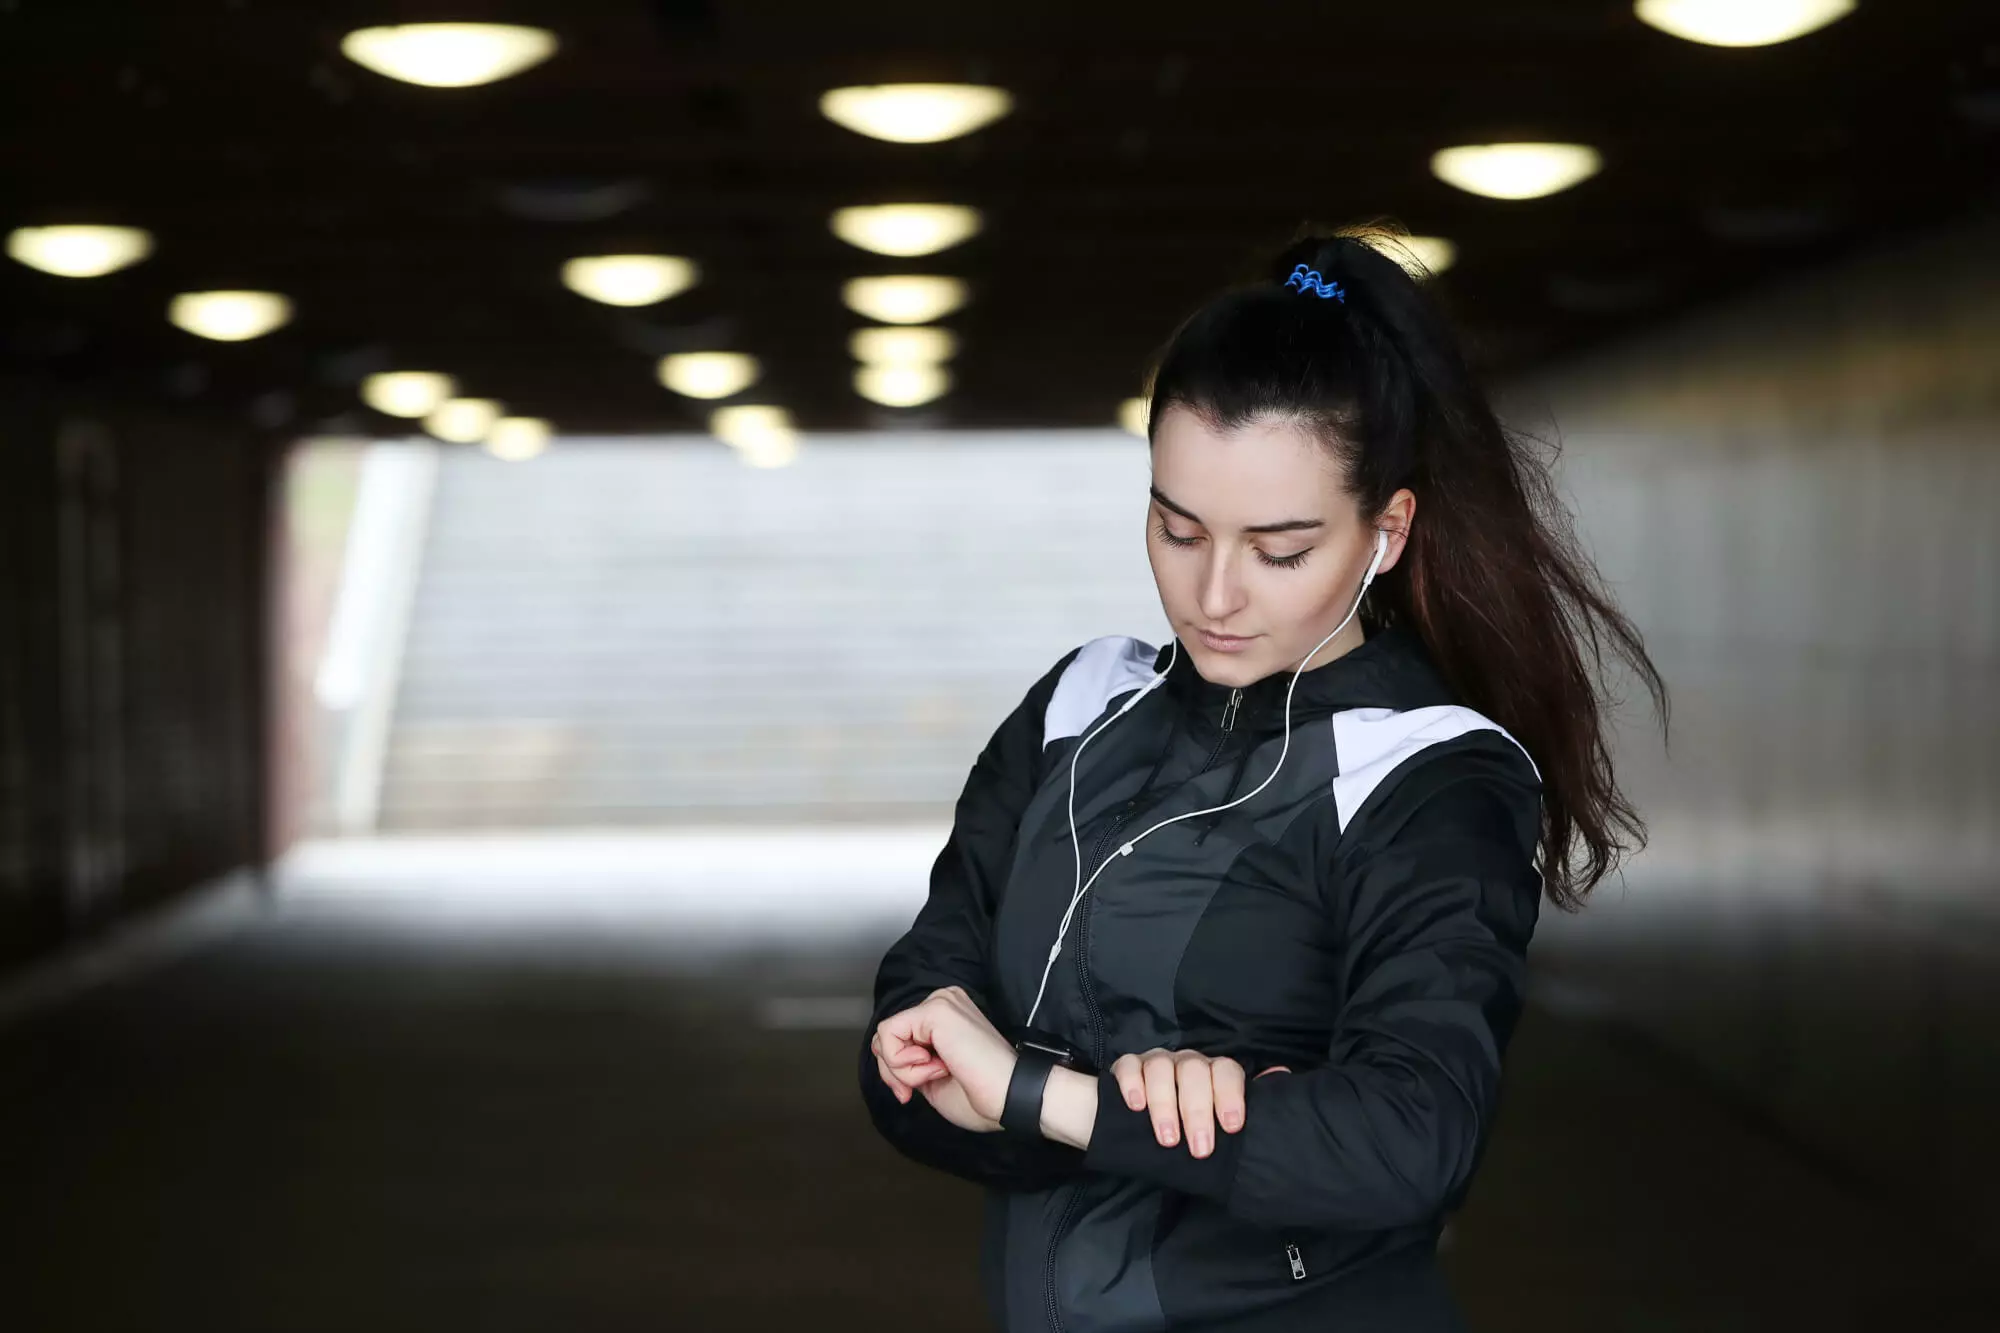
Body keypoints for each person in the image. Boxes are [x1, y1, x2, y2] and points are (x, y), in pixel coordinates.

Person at [859, 226, 1667, 1333]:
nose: (1215, 594)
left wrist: (1039, 1095)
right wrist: (942, 1058)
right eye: (1175, 528)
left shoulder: (1429, 776)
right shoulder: (1075, 707)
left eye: (1279, 549)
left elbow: (1406, 1137)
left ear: (1385, 531)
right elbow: (920, 1010)